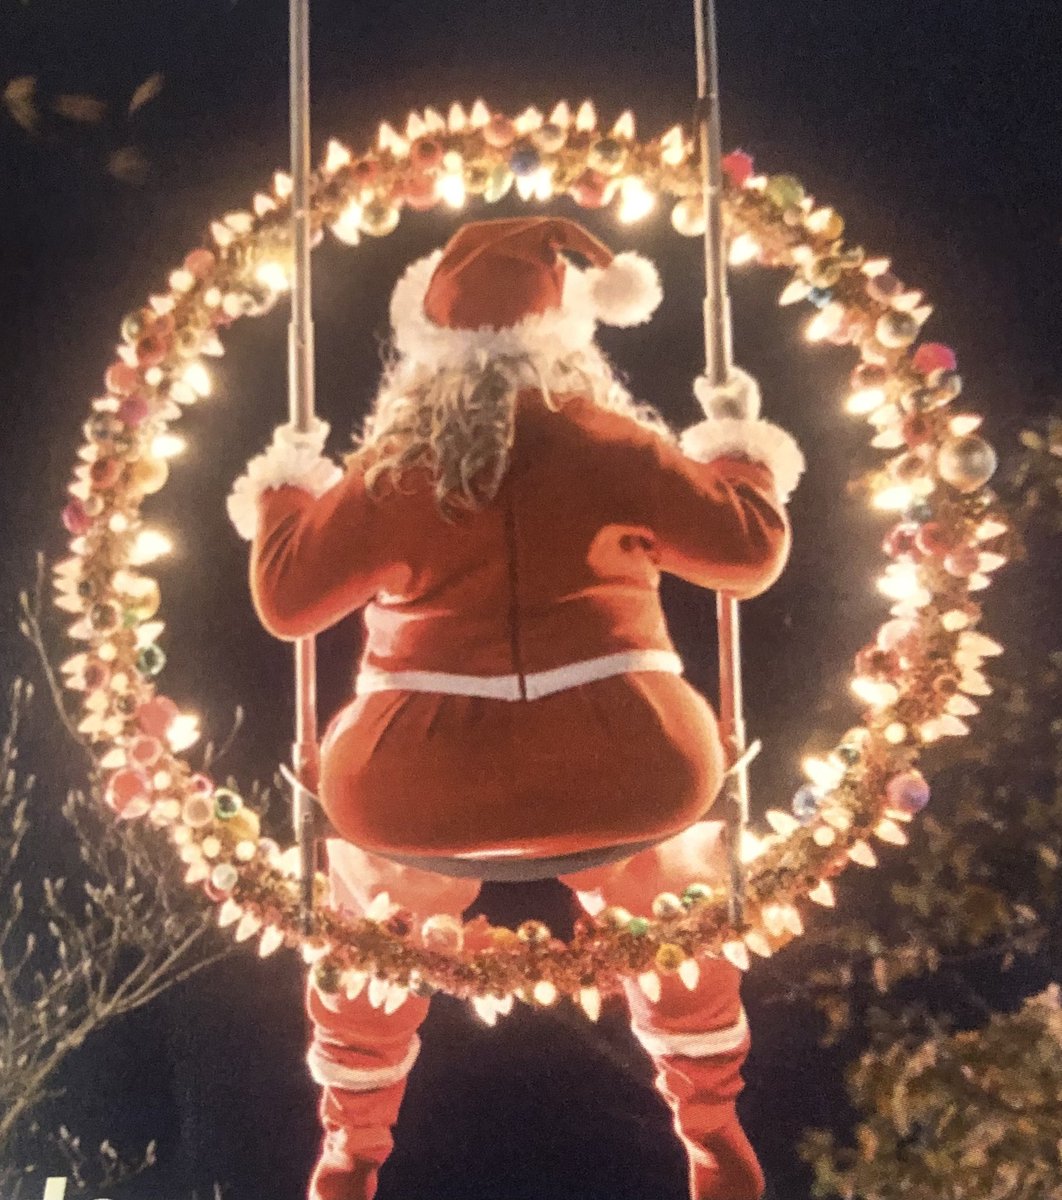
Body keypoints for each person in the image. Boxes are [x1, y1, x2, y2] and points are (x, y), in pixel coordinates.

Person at [228, 216, 803, 1200]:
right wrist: (738, 459)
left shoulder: (398, 468)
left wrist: (287, 496)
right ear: (566, 336)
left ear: (429, 349)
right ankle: (710, 1114)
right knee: (674, 884)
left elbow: (287, 603)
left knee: (368, 895)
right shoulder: (612, 441)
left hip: (418, 790)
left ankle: (355, 1136)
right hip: (625, 767)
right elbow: (748, 555)